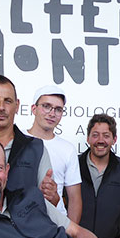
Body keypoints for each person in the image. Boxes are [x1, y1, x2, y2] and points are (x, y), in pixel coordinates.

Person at [27, 84, 83, 222]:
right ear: (34, 109)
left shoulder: (67, 149)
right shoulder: (17, 139)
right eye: (46, 106)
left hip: (55, 223)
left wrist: (71, 237)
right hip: (21, 221)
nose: (52, 113)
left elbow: (75, 199)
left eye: (58, 109)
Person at [78, 114, 120, 238]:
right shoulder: (74, 166)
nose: (100, 140)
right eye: (95, 135)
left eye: (106, 135)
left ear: (114, 139)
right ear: (88, 138)